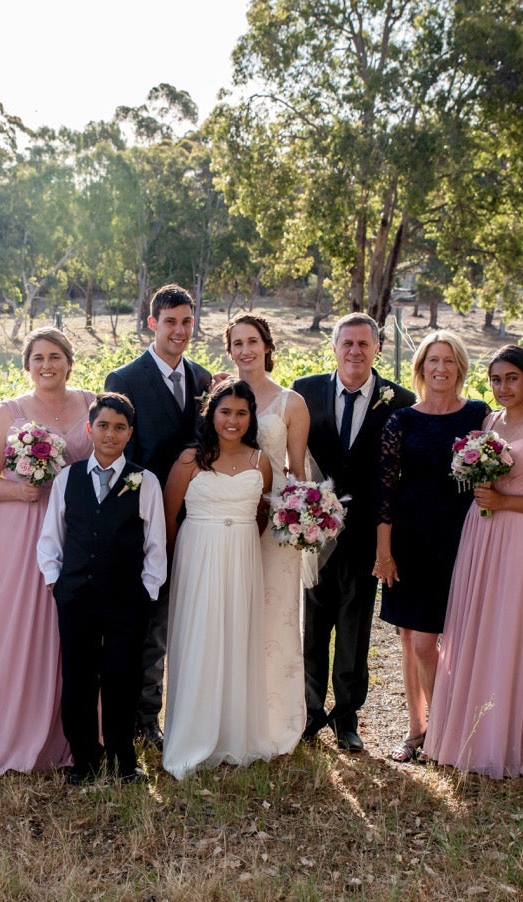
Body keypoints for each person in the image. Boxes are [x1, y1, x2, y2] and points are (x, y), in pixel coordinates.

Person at [0, 329, 94, 775]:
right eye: (38, 358)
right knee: (20, 624)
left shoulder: (92, 403)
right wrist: (17, 490)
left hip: (78, 530)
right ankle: (12, 728)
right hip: (23, 527)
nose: (48, 365)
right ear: (27, 365)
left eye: (56, 357)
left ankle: (74, 732)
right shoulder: (9, 414)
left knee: (75, 629)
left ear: (69, 361)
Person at [422, 346, 523, 778]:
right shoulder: (488, 423)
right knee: (477, 628)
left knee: (510, 630)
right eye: (495, 380)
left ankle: (507, 742)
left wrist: (506, 500)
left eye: (511, 378)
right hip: (481, 533)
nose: (502, 387)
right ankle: (464, 735)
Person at [293, 312, 415, 753]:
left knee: (354, 630)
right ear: (334, 347)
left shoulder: (400, 400)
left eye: (364, 344)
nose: (355, 351)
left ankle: (347, 717)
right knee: (312, 628)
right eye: (347, 343)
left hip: (367, 537)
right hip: (314, 535)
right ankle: (309, 713)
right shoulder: (305, 391)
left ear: (377, 349)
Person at [37, 393, 168, 784]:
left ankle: (123, 759)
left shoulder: (145, 482)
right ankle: (84, 760)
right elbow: (51, 539)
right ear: (89, 429)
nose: (111, 434)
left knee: (121, 678)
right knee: (78, 679)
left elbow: (156, 545)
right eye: (104, 425)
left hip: (127, 599)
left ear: (130, 433)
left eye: (120, 427)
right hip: (76, 596)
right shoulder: (68, 479)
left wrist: (148, 591)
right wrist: (55, 581)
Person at [104, 284, 213, 749]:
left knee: (178, 623)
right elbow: (116, 449)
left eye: (187, 321)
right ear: (153, 323)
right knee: (142, 622)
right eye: (170, 321)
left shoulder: (206, 378)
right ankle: (134, 719)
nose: (179, 330)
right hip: (143, 519)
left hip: (199, 521)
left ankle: (171, 715)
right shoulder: (125, 378)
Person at [374, 330, 489, 763]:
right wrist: (383, 552)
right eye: (431, 361)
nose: (440, 368)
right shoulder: (401, 420)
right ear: (420, 368)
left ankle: (441, 731)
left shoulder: (479, 416)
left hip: (465, 538)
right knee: (415, 642)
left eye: (449, 360)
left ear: (460, 367)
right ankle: (424, 729)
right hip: (411, 539)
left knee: (454, 638)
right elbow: (384, 492)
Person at [161, 378, 274, 780]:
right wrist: (184, 561)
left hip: (241, 555)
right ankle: (192, 737)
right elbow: (170, 519)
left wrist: (237, 538)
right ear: (212, 413)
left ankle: (232, 735)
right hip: (197, 554)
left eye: (242, 413)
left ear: (250, 417)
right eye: (226, 411)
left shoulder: (260, 461)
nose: (233, 420)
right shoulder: (191, 459)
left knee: (235, 638)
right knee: (200, 639)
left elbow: (260, 515)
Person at [226, 313, 309, 758]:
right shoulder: (221, 395)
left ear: (268, 346)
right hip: (233, 520)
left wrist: (301, 515)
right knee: (235, 615)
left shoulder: (290, 403)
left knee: (275, 619)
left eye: (252, 341)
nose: (245, 351)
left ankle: (276, 721)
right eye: (237, 343)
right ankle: (234, 716)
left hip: (276, 524)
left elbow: (297, 472)